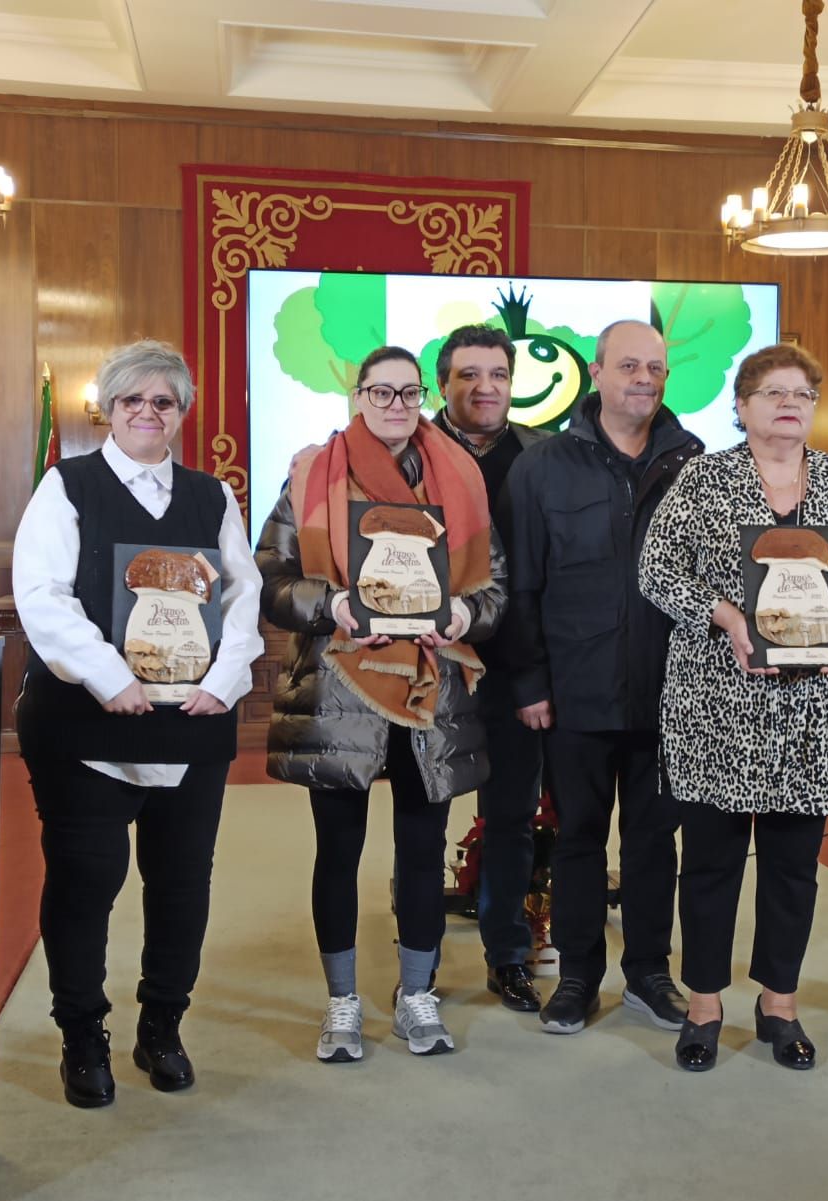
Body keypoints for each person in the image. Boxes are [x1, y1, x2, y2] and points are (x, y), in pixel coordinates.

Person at [640, 342, 828, 1071]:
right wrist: (725, 614)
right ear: (742, 406)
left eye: (802, 394)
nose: (789, 404)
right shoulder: (702, 478)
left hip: (812, 707)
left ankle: (778, 1004)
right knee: (711, 863)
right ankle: (703, 1004)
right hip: (716, 699)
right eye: (772, 392)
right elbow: (656, 569)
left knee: (795, 863)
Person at [12, 339, 264, 1108]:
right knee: (88, 882)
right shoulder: (67, 485)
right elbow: (42, 593)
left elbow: (241, 596)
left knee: (183, 882)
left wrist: (225, 682)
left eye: (165, 402)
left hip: (192, 722)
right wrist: (109, 675)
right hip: (88, 726)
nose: (149, 413)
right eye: (134, 401)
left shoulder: (212, 495)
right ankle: (82, 1035)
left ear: (181, 414)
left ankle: (162, 1027)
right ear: (110, 410)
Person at [257, 345, 507, 1062]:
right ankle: (342, 1002)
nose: (396, 405)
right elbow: (271, 578)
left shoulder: (460, 475)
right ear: (358, 395)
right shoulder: (312, 474)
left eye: (408, 392)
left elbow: (496, 587)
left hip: (433, 692)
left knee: (423, 849)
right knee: (338, 849)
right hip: (340, 688)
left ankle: (416, 993)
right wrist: (332, 602)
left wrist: (463, 617)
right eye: (381, 391)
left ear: (423, 395)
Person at [501, 318, 702, 1035]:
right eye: (628, 366)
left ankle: (648, 971)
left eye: (656, 367)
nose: (643, 379)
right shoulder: (542, 467)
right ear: (595, 372)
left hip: (669, 694)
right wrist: (529, 683)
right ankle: (579, 974)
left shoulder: (695, 465)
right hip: (575, 691)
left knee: (655, 840)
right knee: (580, 836)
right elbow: (521, 585)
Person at [431, 324, 551, 1012]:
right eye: (468, 375)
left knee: (510, 817)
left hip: (516, 668)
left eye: (497, 374)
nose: (485, 387)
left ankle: (508, 955)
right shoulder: (409, 453)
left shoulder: (545, 456)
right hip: (434, 666)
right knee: (423, 815)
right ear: (444, 383)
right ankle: (417, 954)